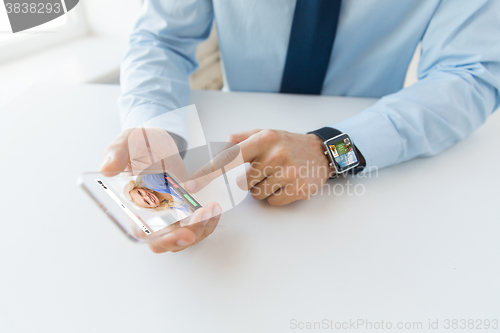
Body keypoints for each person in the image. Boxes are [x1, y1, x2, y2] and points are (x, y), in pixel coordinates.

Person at [101, 0, 500, 253]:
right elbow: (162, 38)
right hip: (231, 142)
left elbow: (470, 74)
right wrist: (155, 125)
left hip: (376, 185)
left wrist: (329, 150)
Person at [123, 174, 193, 213]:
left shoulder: (150, 181)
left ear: (139, 187)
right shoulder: (172, 205)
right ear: (152, 207)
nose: (147, 197)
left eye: (140, 193)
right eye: (147, 202)